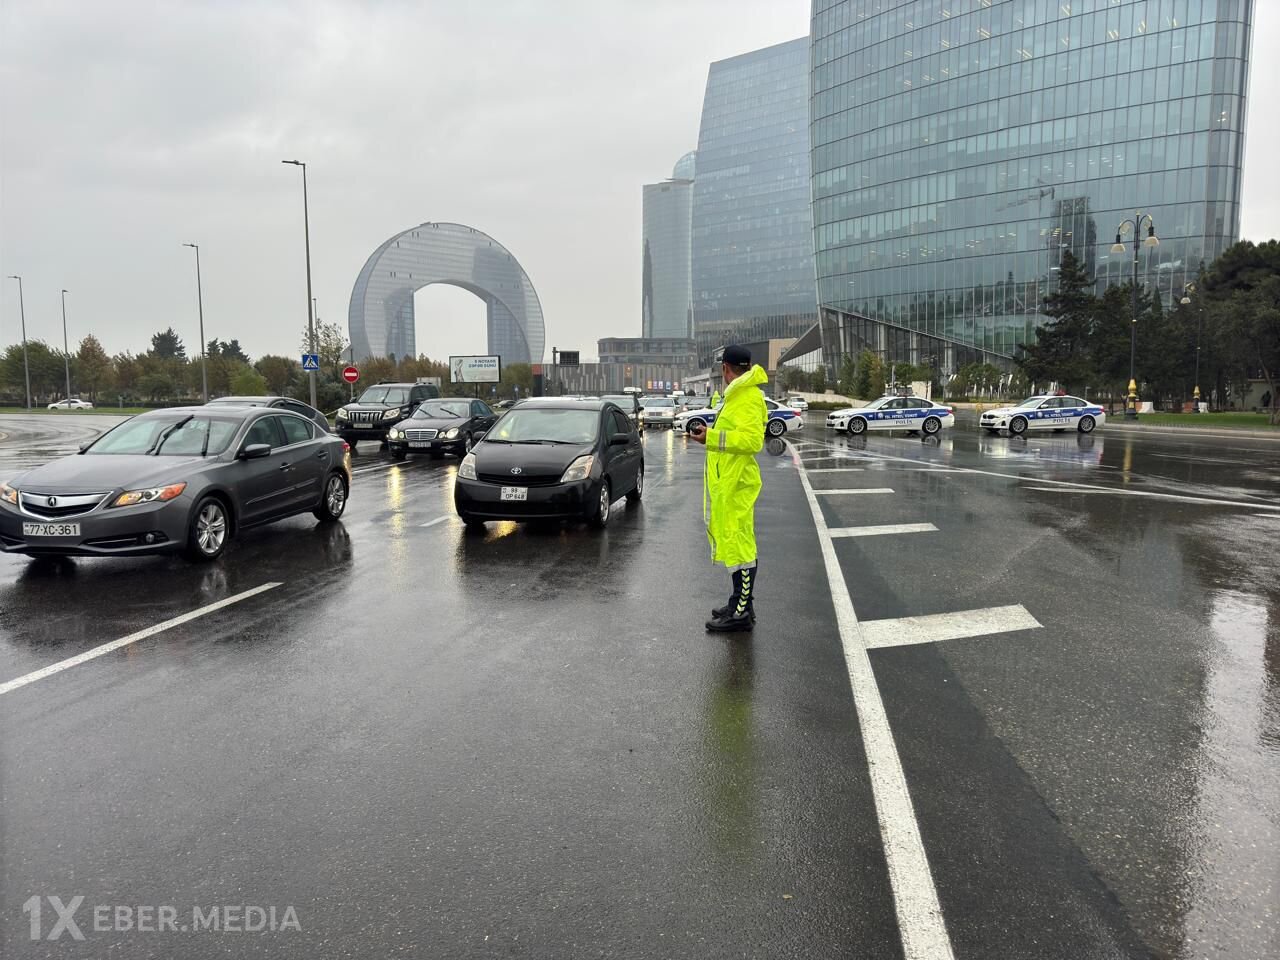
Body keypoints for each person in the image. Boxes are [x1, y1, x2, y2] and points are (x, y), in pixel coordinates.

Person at [687, 345, 767, 633]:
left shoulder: (746, 397)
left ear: (725, 368)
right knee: (735, 544)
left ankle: (741, 612)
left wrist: (712, 437)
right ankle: (739, 603)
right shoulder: (738, 395)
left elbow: (753, 441)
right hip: (731, 482)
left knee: (740, 547)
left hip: (737, 484)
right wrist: (710, 437)